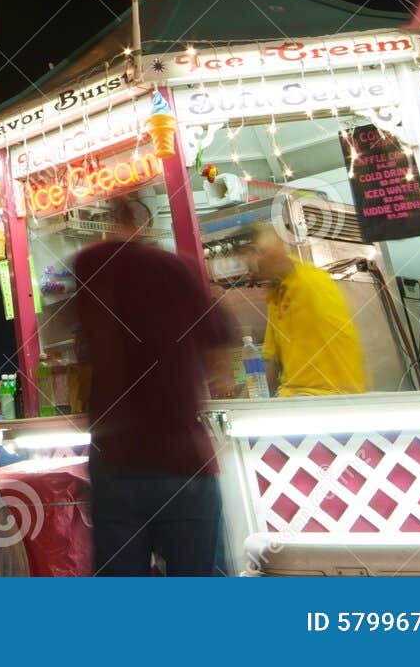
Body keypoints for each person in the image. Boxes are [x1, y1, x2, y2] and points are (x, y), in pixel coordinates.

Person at [73, 194, 236, 576]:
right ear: (146, 226)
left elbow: (85, 350)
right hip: (183, 460)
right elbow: (221, 353)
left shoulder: (91, 265)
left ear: (112, 223)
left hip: (117, 461)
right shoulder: (179, 270)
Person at [238, 224, 366, 397]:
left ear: (269, 251)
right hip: (296, 398)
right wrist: (239, 404)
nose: (248, 271)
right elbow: (269, 362)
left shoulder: (310, 282)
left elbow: (281, 262)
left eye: (250, 259)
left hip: (326, 398)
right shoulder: (276, 294)